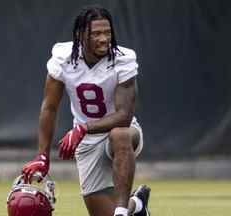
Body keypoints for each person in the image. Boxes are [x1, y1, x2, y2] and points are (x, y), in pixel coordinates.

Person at [22, 5, 151, 216]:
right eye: (97, 33)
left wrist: (83, 128)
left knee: (120, 135)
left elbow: (124, 116)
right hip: (87, 142)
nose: (104, 39)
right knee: (101, 213)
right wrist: (43, 155)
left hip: (121, 131)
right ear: (80, 35)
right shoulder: (63, 57)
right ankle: (137, 205)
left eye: (108, 32)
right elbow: (49, 107)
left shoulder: (123, 59)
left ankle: (121, 211)